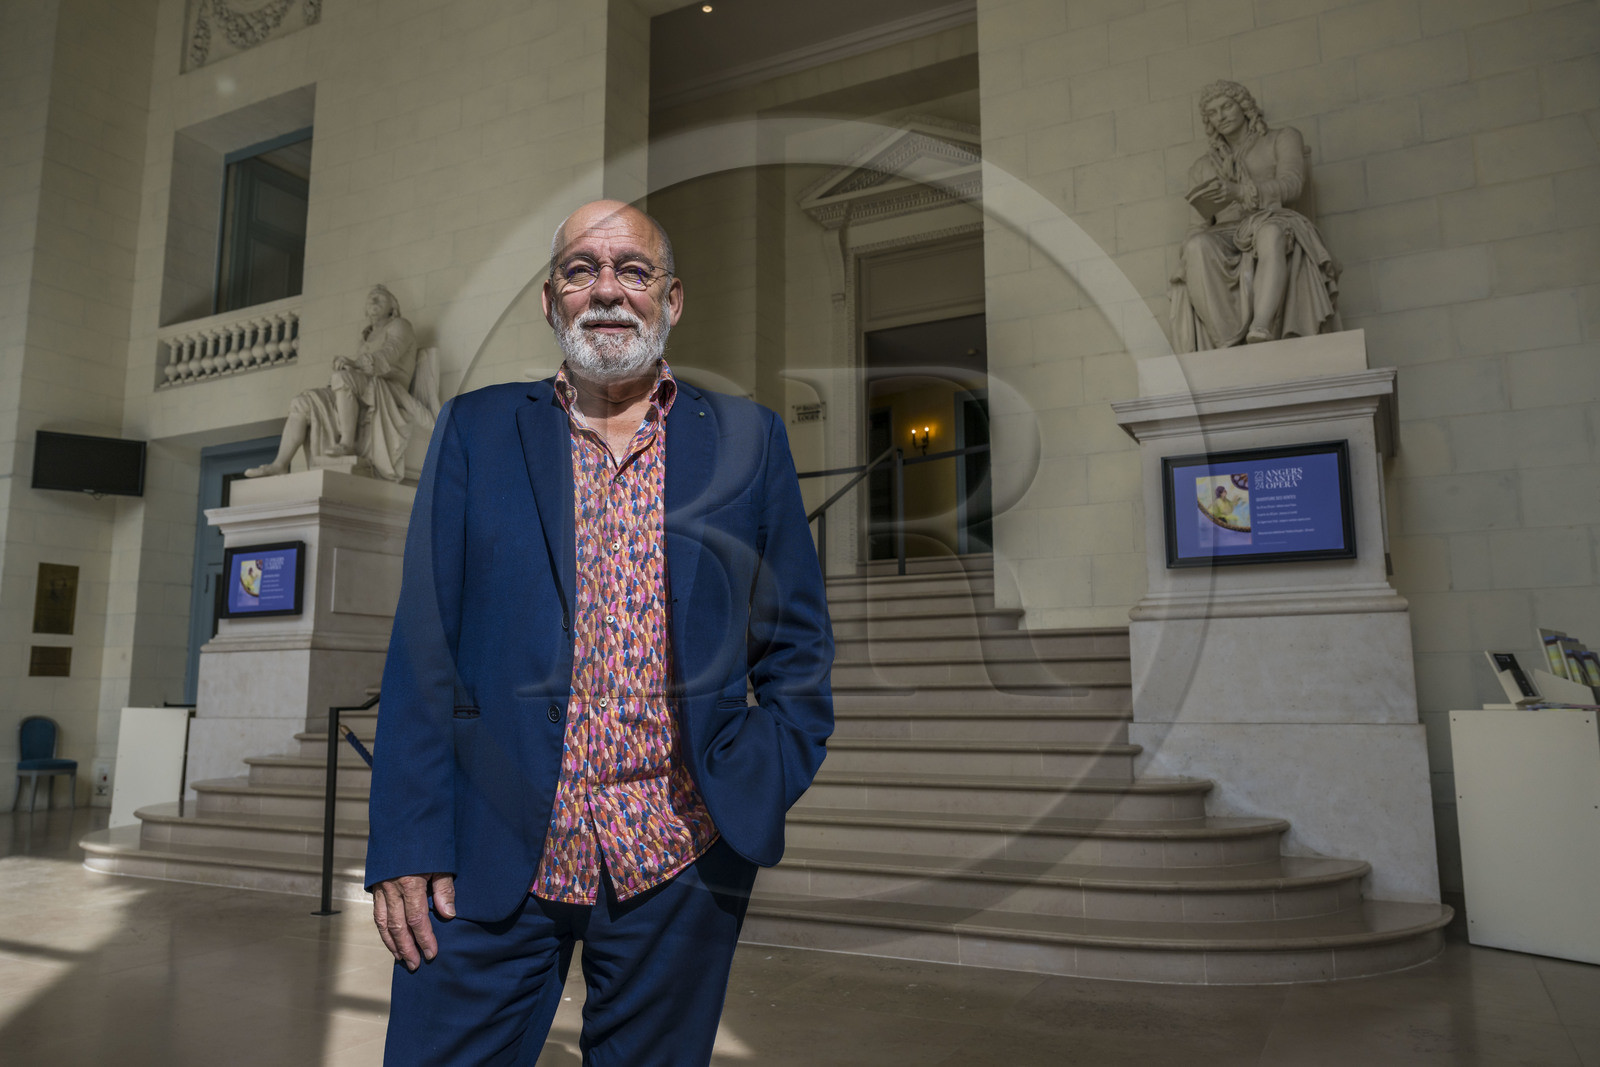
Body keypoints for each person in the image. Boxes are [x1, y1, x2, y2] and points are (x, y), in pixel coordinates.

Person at [364, 200, 834, 1066]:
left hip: (678, 861)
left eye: (633, 270)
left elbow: (796, 647)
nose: (608, 290)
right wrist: (407, 841)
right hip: (484, 862)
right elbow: (424, 649)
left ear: (671, 299)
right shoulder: (475, 431)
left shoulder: (750, 440)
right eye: (581, 270)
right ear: (552, 302)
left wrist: (749, 787)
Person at [1169, 80, 1341, 352]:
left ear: (1244, 106)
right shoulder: (1202, 167)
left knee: (1270, 233)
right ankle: (1226, 341)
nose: (1221, 116)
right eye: (1212, 112)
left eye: (1226, 106)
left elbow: (1292, 185)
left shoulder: (1282, 138)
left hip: (1271, 218)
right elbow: (1196, 226)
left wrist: (1239, 192)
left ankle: (1261, 326)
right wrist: (1186, 257)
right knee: (1195, 246)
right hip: (1223, 232)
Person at [245, 284, 431, 481]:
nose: (374, 300)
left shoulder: (400, 325)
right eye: (371, 297)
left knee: (341, 379)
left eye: (380, 298)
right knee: (302, 402)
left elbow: (389, 354)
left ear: (392, 308)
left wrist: (354, 365)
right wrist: (347, 368)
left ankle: (347, 444)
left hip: (388, 389)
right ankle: (280, 464)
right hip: (361, 387)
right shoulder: (366, 335)